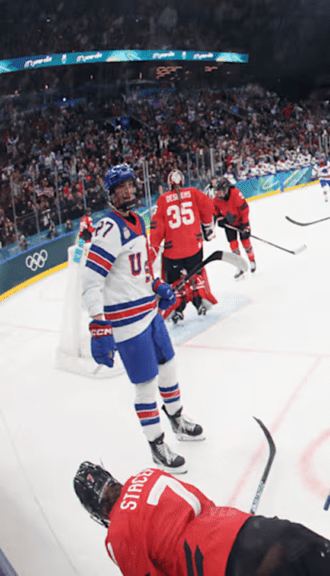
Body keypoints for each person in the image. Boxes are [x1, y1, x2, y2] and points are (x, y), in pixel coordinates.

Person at [72, 461, 330, 576]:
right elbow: (203, 505)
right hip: (261, 531)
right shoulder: (149, 476)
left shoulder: (117, 536)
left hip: (239, 569)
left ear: (95, 509)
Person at [83, 164, 205, 474]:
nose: (127, 191)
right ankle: (157, 446)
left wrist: (157, 285)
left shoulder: (138, 221)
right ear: (110, 194)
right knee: (145, 385)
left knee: (169, 366)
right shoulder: (108, 228)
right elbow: (91, 281)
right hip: (127, 323)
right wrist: (98, 324)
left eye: (130, 185)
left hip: (149, 313)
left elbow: (139, 271)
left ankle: (177, 419)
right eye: (120, 188)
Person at [149, 169, 218, 324]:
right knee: (196, 275)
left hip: (172, 251)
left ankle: (177, 310)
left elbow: (156, 227)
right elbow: (208, 206)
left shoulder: (163, 199)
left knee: (174, 282)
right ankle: (200, 302)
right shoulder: (193, 192)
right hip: (194, 247)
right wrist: (208, 227)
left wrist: (153, 249)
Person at [213, 177, 257, 278]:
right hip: (229, 223)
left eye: (220, 191)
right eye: (217, 191)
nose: (218, 193)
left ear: (226, 189)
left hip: (241, 222)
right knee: (233, 245)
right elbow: (214, 210)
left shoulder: (236, 194)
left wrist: (246, 226)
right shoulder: (216, 199)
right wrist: (219, 219)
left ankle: (252, 260)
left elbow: (245, 210)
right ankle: (239, 265)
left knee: (246, 242)